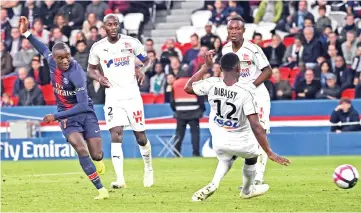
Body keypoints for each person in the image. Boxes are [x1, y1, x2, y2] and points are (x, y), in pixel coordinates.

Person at [18, 16, 109, 200]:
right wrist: (27, 33)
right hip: (68, 118)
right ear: (55, 58)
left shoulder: (77, 74)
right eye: (61, 58)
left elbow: (82, 105)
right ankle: (101, 189)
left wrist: (56, 116)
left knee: (96, 154)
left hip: (85, 113)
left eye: (68, 56)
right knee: (80, 149)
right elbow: (42, 47)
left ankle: (99, 160)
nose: (65, 60)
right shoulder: (51, 60)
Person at [185, 52, 290, 201]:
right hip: (243, 142)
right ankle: (247, 190)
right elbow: (255, 125)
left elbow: (188, 88)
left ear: (220, 68)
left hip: (220, 141)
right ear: (239, 69)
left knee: (226, 158)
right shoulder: (245, 92)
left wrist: (204, 68)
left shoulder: (212, 83)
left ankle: (214, 183)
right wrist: (269, 152)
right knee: (252, 157)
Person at [87, 14, 154, 189]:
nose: (113, 27)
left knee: (140, 137)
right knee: (115, 134)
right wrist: (99, 77)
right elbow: (91, 69)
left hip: (132, 96)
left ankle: (148, 168)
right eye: (109, 24)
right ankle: (120, 179)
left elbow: (148, 60)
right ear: (104, 28)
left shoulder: (131, 42)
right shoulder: (98, 48)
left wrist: (142, 69)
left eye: (116, 24)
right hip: (113, 97)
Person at [221, 16, 273, 186]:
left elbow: (267, 71)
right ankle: (250, 179)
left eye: (237, 29)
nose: (233, 32)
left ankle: (258, 177)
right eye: (231, 29)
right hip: (240, 98)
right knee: (246, 136)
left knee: (261, 132)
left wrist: (251, 85)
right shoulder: (225, 50)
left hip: (258, 95)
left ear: (243, 31)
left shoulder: (253, 49)